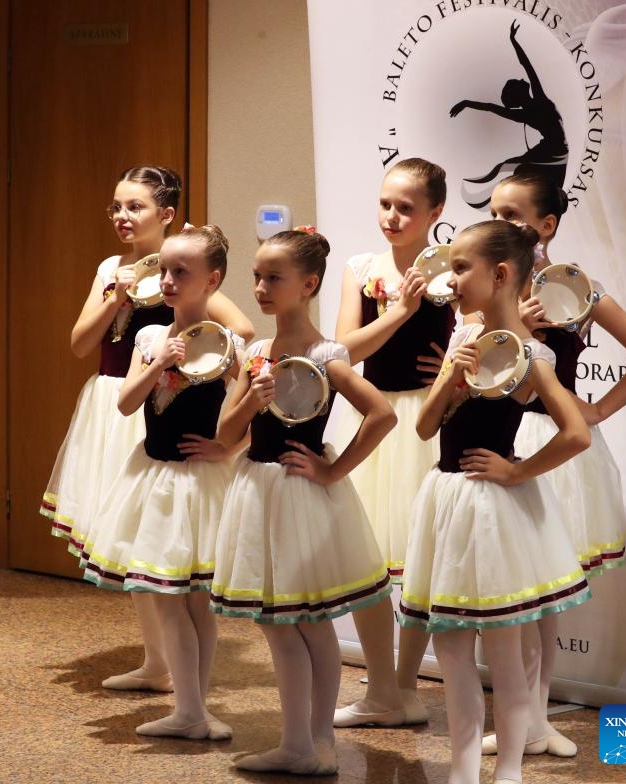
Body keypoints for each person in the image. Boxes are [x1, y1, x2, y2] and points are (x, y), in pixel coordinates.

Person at [478, 173, 626, 758]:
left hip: (548, 443)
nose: (502, 223)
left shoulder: (572, 286)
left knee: (542, 587)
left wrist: (597, 409)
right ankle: (523, 718)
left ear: (546, 225)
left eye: (513, 214)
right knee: (515, 587)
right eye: (494, 212)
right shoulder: (491, 282)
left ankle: (535, 717)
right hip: (498, 436)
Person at [40, 166, 252, 692]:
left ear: (166, 215)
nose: (121, 217)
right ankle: (157, 661)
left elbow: (242, 329)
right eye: (116, 206)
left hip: (158, 406)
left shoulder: (179, 272)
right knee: (133, 536)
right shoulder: (111, 267)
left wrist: (191, 364)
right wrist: (117, 295)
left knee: (157, 533)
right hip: (111, 399)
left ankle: (173, 666)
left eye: (134, 207)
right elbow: (80, 344)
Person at [399, 220, 592, 784]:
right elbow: (425, 427)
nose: (451, 278)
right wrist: (446, 381)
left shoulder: (530, 355)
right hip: (448, 500)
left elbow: (575, 431)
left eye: (461, 268)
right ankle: (463, 769)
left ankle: (509, 770)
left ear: (501, 274)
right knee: (452, 648)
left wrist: (518, 471)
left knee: (505, 657)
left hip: (493, 511)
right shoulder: (463, 340)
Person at [211, 228, 396, 775]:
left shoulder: (327, 354)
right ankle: (309, 745)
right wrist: (252, 398)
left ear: (308, 285)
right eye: (257, 277)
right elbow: (226, 435)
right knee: (284, 622)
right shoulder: (257, 353)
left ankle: (311, 743)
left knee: (303, 622)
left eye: (274, 278)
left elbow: (381, 415)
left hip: (299, 494)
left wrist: (333, 469)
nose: (261, 288)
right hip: (258, 489)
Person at [80, 225, 241, 741]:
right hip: (154, 477)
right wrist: (158, 365)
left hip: (201, 482)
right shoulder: (150, 337)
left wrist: (227, 448)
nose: (168, 281)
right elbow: (126, 402)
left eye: (181, 272)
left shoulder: (228, 344)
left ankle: (196, 708)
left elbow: (258, 407)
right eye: (165, 270)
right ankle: (188, 709)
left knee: (197, 601)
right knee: (167, 596)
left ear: (211, 280)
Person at [332, 158, 454, 728]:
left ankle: (402, 684)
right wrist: (398, 313)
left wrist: (450, 367)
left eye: (406, 207)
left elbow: (488, 334)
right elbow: (342, 353)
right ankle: (384, 683)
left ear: (436, 213)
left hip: (426, 421)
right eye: (385, 203)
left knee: (420, 557)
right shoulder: (360, 268)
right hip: (376, 420)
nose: (392, 215)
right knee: (368, 557)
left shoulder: (453, 272)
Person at [449, 20, 569, 209]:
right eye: (517, 82)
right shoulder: (535, 102)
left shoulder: (529, 109)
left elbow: (525, 67)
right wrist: (513, 40)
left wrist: (513, 40)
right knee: (517, 169)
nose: (522, 79)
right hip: (553, 150)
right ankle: (506, 201)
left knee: (517, 168)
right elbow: (526, 67)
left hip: (554, 150)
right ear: (519, 95)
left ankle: (507, 199)